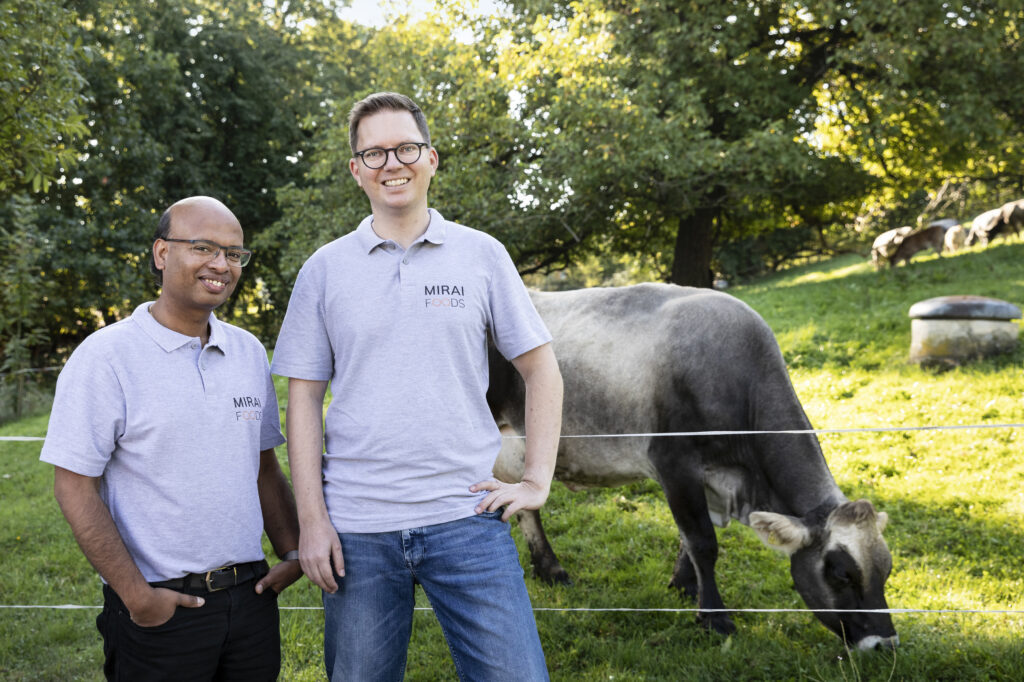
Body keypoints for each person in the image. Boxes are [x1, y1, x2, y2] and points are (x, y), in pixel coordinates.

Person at [272, 91, 564, 681]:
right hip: (357, 529)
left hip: (468, 515)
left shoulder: (482, 256)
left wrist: (535, 480)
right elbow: (302, 399)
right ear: (356, 170)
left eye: (405, 147)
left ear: (431, 158)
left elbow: (542, 369)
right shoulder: (324, 269)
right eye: (374, 153)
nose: (392, 163)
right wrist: (313, 520)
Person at [40, 196, 302, 681]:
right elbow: (73, 486)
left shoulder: (247, 352)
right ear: (162, 253)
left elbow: (263, 466)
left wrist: (292, 554)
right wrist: (137, 597)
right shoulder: (107, 357)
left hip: (251, 601)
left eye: (234, 253)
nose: (221, 265)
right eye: (203, 248)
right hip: (160, 607)